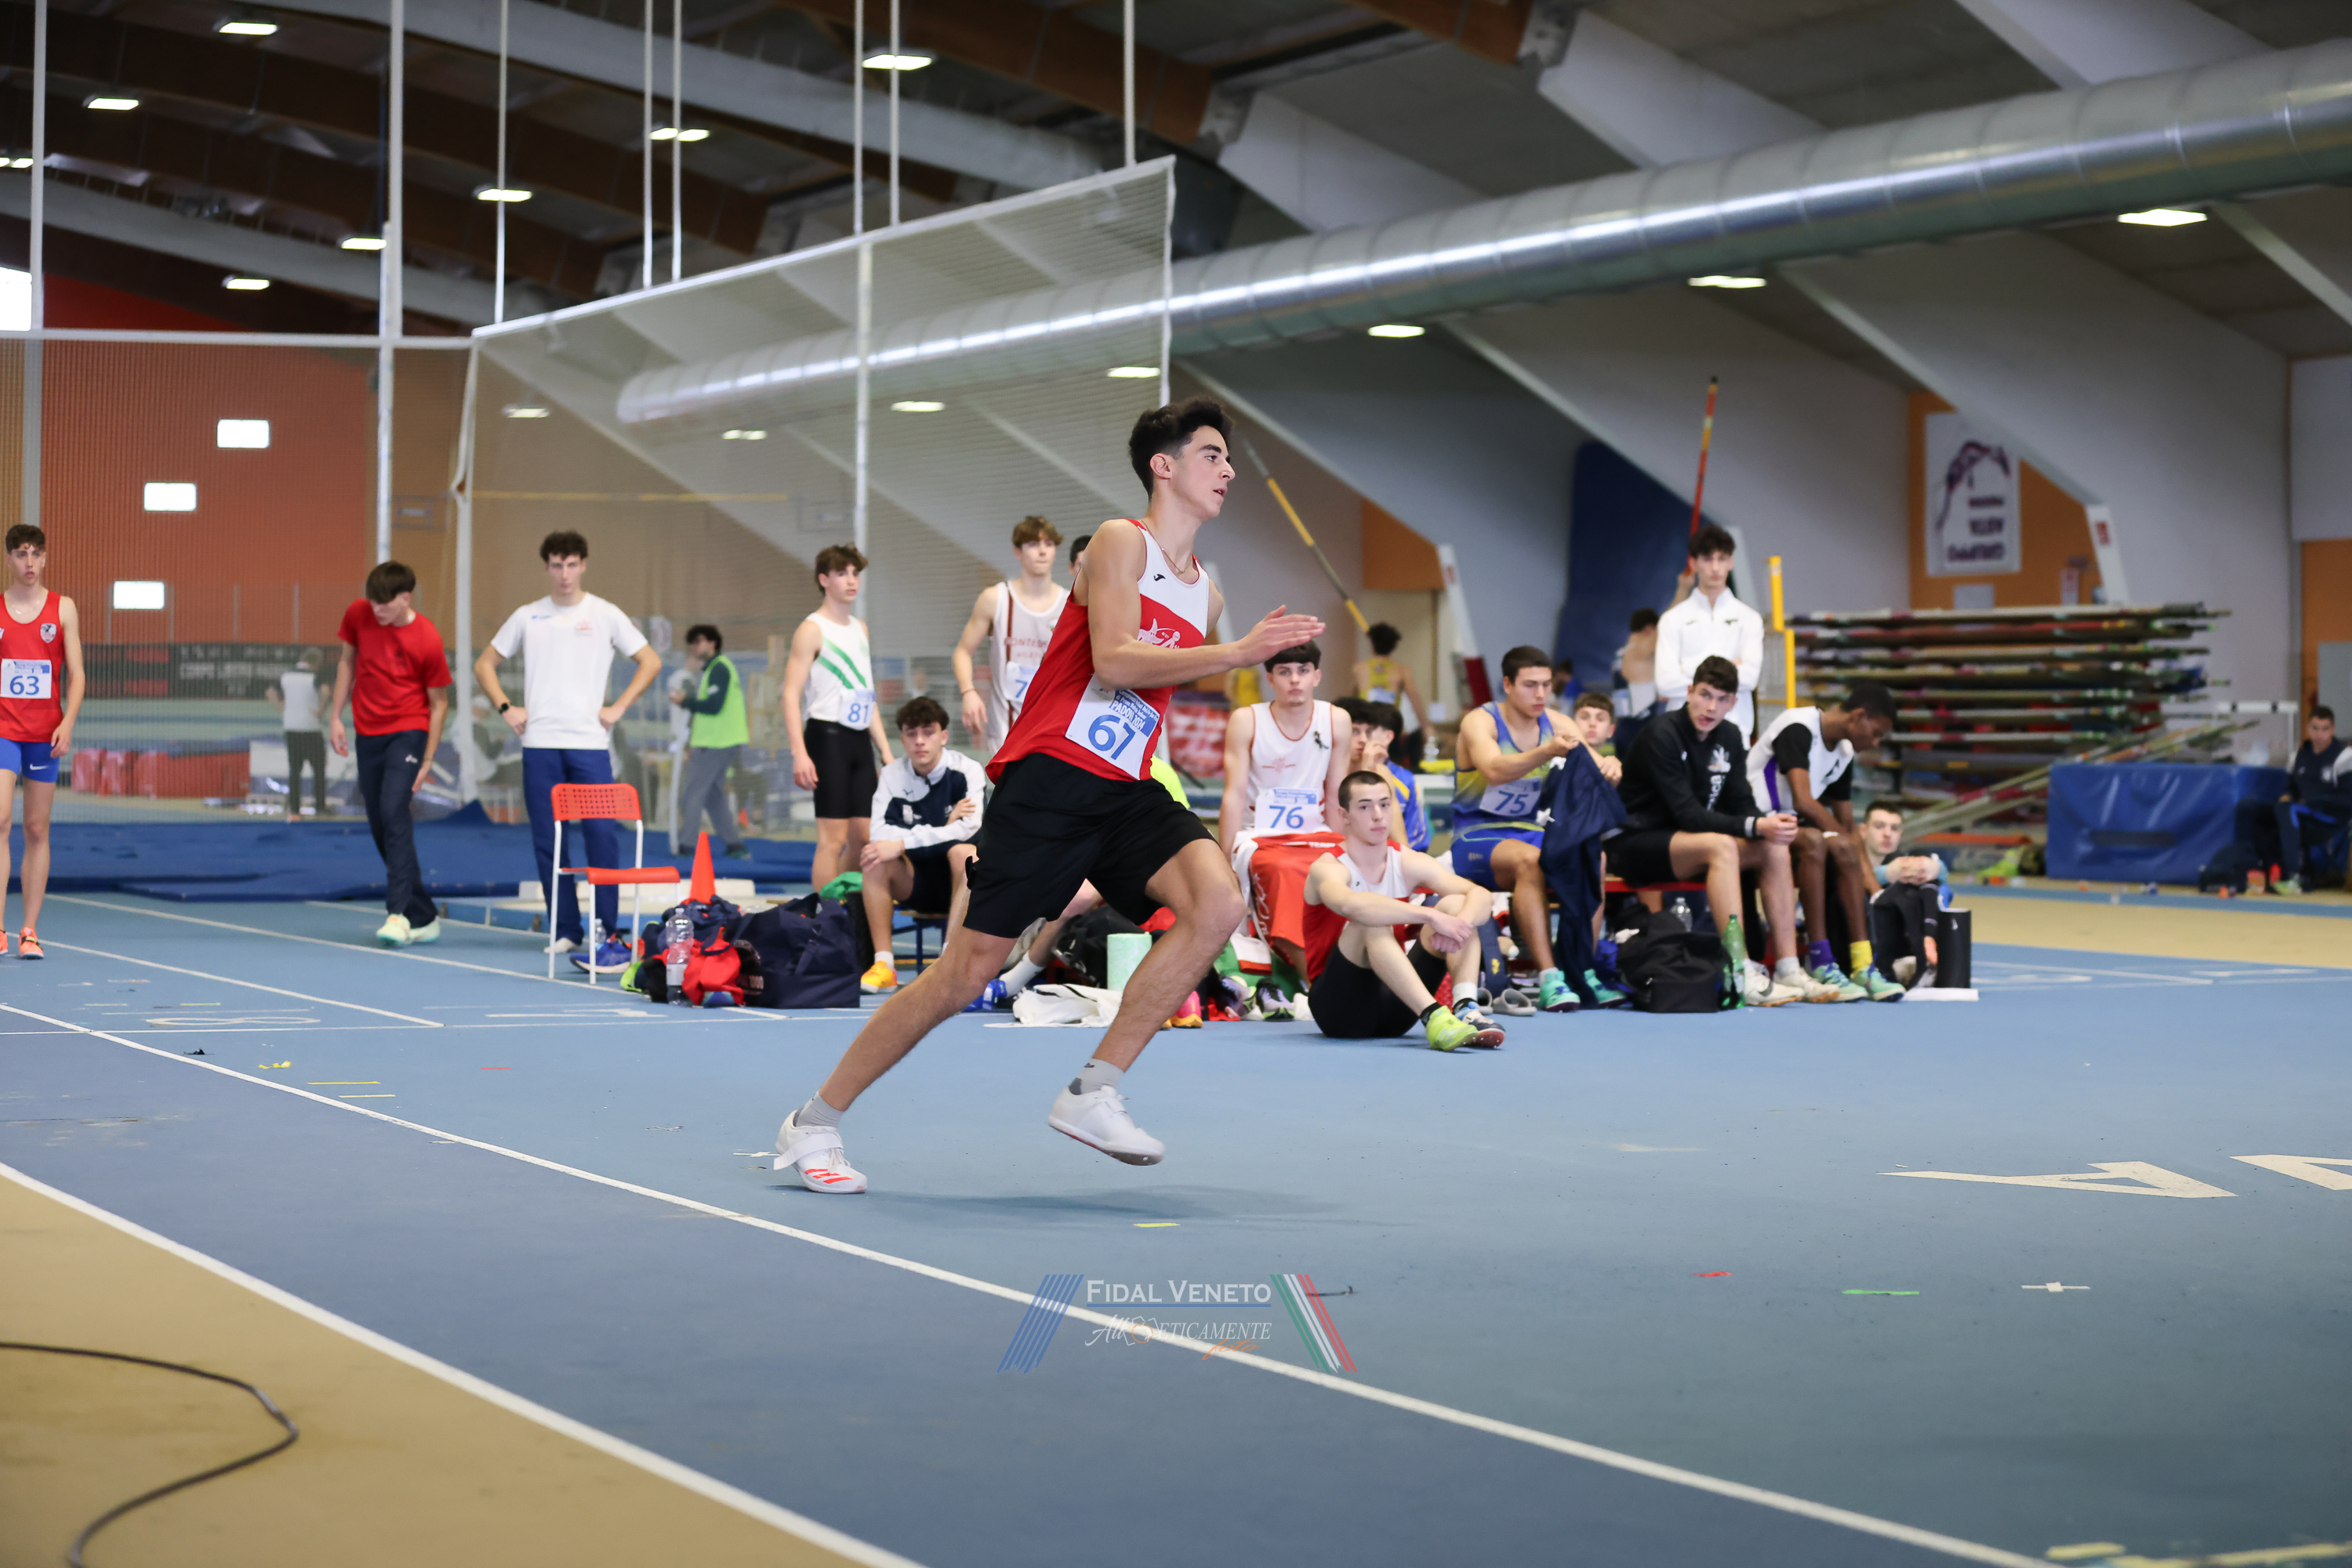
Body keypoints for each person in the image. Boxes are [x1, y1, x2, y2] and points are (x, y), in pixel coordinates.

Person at [770, 396, 1324, 1194]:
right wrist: (1236, 652)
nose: (1228, 469)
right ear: (1163, 466)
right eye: (1212, 454)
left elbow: (1150, 692)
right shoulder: (1120, 541)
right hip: (1052, 779)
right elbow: (1117, 660)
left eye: (1229, 458)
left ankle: (1094, 1090)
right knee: (964, 975)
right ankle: (814, 1121)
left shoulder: (1205, 590)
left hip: (1126, 787)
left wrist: (1225, 648)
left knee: (1216, 903)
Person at [475, 531, 662, 971]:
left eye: (572, 564)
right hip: (540, 743)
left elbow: (650, 661)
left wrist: (618, 707)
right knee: (549, 839)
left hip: (589, 744)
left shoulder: (604, 614)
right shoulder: (528, 616)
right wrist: (506, 708)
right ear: (547, 568)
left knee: (601, 836)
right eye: (557, 565)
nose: (564, 574)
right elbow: (485, 664)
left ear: (584, 565)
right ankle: (565, 928)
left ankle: (609, 930)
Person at [1610, 654, 1835, 1006]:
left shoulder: (1729, 735)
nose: (1711, 707)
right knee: (1722, 846)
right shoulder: (1661, 734)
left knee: (1773, 846)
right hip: (1634, 842)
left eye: (1721, 699)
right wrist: (1754, 824)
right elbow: (1688, 815)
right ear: (1690, 692)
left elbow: (1740, 800)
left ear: (1732, 704)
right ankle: (1739, 971)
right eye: (1705, 695)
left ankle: (1788, 967)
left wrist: (1767, 825)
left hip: (1689, 843)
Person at [1302, 771, 1505, 1051]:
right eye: (1365, 807)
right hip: (1340, 1011)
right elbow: (1353, 905)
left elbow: (1479, 895)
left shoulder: (1408, 861)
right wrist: (1430, 916)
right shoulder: (1328, 867)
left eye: (1385, 805)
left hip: (1397, 1007)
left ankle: (1465, 1008)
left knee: (1456, 905)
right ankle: (1435, 1017)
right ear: (1344, 815)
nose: (1378, 815)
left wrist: (1459, 924)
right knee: (1372, 921)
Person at [1452, 644, 1603, 1013]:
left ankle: (1583, 968)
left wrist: (1610, 766)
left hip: (1528, 831)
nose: (1540, 694)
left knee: (1594, 856)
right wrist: (1546, 751)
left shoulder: (1558, 723)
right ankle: (1549, 977)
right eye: (1530, 685)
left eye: (1546, 685)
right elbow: (1494, 770)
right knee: (1530, 860)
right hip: (1475, 836)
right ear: (1507, 685)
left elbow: (1595, 766)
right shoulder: (1481, 722)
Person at [1749, 684, 1904, 1002]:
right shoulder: (1797, 727)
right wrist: (1845, 842)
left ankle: (1863, 965)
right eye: (1876, 733)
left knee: (1842, 845)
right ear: (1858, 716)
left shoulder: (1844, 752)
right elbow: (1804, 802)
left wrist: (1875, 889)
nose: (1875, 743)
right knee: (1817, 841)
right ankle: (1821, 962)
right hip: (1754, 823)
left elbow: (1847, 824)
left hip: (1789, 828)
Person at [331, 561, 452, 947]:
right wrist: (335, 716)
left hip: (408, 731)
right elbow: (347, 661)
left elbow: (439, 703)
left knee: (393, 810)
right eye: (373, 602)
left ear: (405, 598)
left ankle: (398, 915)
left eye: (384, 603)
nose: (377, 609)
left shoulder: (427, 638)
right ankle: (424, 915)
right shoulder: (358, 614)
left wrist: (428, 759)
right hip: (368, 733)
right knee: (380, 823)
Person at [1221, 641, 1352, 990]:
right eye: (1284, 672)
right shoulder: (1246, 720)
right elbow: (1233, 795)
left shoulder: (1336, 720)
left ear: (1317, 676)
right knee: (1284, 870)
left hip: (1317, 832)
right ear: (1270, 679)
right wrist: (1225, 861)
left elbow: (1336, 792)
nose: (1295, 680)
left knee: (1344, 872)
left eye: (1303, 671)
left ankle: (1349, 970)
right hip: (1259, 836)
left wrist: (1345, 849)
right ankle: (1315, 981)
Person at [859, 695, 989, 993]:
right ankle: (884, 965)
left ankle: (948, 963)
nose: (919, 741)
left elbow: (970, 827)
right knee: (875, 858)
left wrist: (903, 841)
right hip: (915, 881)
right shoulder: (892, 775)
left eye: (928, 732)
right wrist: (945, 827)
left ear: (943, 736)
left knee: (965, 853)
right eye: (911, 733)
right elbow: (879, 832)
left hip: (963, 885)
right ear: (902, 739)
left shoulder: (967, 770)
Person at [783, 544, 894, 891]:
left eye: (855, 573)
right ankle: (825, 915)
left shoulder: (860, 629)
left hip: (859, 739)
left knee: (863, 836)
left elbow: (866, 694)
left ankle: (841, 899)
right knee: (832, 839)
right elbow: (790, 694)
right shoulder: (812, 629)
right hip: (826, 737)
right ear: (824, 580)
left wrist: (885, 751)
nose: (851, 580)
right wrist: (799, 753)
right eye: (842, 573)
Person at [0, 524, 82, 959]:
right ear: (9, 560)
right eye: (20, 554)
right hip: (3, 730)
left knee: (36, 828)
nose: (28, 562)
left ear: (45, 558)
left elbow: (78, 675)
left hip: (45, 733)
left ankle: (29, 931)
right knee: (0, 820)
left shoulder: (62, 608)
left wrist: (67, 722)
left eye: (35, 554)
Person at [953, 515, 1069, 752]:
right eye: (1033, 544)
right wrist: (968, 692)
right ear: (1018, 552)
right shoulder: (995, 599)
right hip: (1006, 732)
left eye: (1049, 544)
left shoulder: (1070, 604)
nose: (1042, 551)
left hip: (1055, 732)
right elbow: (962, 652)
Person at [1655, 524, 1765, 739]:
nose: (1715, 567)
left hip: (1735, 732)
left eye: (1722, 559)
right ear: (1693, 563)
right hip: (1681, 733)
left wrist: (1687, 668)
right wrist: (1731, 668)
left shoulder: (1750, 619)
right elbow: (1665, 684)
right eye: (1707, 559)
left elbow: (1750, 678)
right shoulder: (1672, 619)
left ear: (1731, 562)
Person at [669, 624, 749, 859]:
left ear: (713, 643)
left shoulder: (719, 669)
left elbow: (714, 706)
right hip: (723, 741)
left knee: (692, 794)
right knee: (713, 796)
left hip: (715, 742)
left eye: (699, 641)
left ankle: (687, 846)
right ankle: (735, 845)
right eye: (692, 643)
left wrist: (686, 702)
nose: (695, 647)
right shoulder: (716, 669)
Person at [2256, 706, 2350, 895]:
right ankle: (2253, 870)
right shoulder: (2299, 755)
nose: (2320, 734)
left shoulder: (2345, 756)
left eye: (2325, 729)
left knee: (2287, 810)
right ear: (2308, 728)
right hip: (2302, 813)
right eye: (2315, 728)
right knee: (2251, 809)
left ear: (2333, 730)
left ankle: (2294, 877)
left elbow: (2348, 799)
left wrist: (2312, 802)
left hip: (2329, 818)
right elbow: (2292, 787)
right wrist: (2288, 795)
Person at [1860, 803, 1950, 987]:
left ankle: (1924, 950)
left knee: (1930, 881)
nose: (1887, 834)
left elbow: (1944, 877)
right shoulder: (1849, 857)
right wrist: (1886, 874)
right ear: (1863, 831)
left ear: (1900, 834)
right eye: (1879, 826)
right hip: (1861, 935)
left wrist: (1933, 867)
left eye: (1894, 828)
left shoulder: (1905, 863)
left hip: (1897, 937)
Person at [1341, 697, 1428, 853]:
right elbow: (1352, 832)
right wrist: (1366, 771)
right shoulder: (1326, 772)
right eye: (1355, 731)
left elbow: (1399, 840)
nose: (1363, 740)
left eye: (1368, 732)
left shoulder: (1382, 772)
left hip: (1379, 856)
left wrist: (1408, 863)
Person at [267, 648, 327, 822]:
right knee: (318, 770)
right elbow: (325, 691)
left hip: (291, 728)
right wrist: (321, 711)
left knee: (294, 771)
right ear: (315, 663)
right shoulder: (314, 677)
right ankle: (320, 808)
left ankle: (294, 810)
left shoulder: (286, 676)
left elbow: (270, 691)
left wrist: (279, 705)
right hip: (311, 729)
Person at [1353, 622, 1425, 747]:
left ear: (1372, 646)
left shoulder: (1359, 669)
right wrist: (1426, 727)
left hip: (1367, 727)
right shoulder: (1402, 671)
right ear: (1393, 648)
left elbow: (1354, 700)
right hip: (1390, 727)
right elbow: (1414, 700)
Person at [1612, 608, 1661, 723]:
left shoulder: (1622, 653)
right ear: (1649, 629)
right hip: (1641, 720)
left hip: (1624, 720)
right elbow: (1665, 626)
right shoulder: (1640, 651)